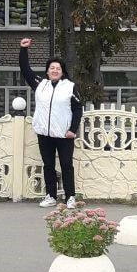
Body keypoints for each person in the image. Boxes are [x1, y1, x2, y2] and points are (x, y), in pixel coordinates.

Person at [18, 38, 82, 208]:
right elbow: (25, 70)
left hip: (64, 134)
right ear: (47, 71)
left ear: (62, 71)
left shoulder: (70, 87)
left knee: (66, 165)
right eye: (52, 68)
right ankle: (51, 196)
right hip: (44, 133)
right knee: (48, 165)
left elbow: (78, 109)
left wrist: (72, 130)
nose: (55, 70)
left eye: (58, 68)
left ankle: (70, 197)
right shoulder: (40, 84)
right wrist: (24, 50)